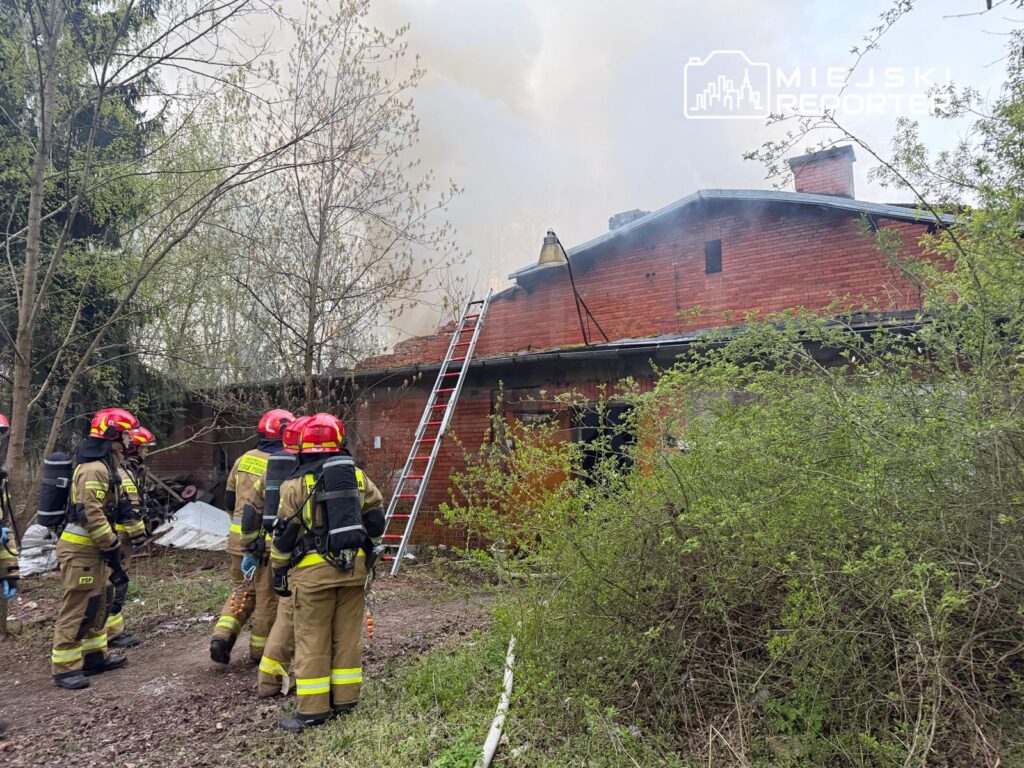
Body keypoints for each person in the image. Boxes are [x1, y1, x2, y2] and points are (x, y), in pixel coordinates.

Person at [269, 413, 386, 731]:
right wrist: (372, 550)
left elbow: (284, 536)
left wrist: (278, 571)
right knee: (347, 638)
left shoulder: (294, 485)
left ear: (305, 446)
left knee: (312, 640)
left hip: (312, 577)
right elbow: (376, 520)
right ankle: (346, 701)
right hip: (354, 571)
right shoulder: (358, 478)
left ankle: (313, 710)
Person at [51, 407, 138, 690]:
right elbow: (92, 514)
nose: (130, 440)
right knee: (77, 607)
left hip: (95, 550)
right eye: (126, 434)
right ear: (113, 435)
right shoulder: (94, 470)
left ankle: (94, 658)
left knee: (98, 603)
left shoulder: (107, 467)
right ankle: (65, 668)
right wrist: (112, 545)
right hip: (81, 550)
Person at [210, 408, 294, 664]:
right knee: (267, 600)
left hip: (238, 543)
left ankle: (221, 636)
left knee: (241, 592)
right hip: (267, 546)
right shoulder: (285, 464)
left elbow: (230, 499)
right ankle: (260, 652)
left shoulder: (244, 459)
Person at [104, 426, 155, 649]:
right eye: (144, 449)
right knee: (117, 581)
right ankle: (112, 633)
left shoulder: (126, 471)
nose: (147, 453)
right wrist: (139, 538)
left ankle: (111, 630)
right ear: (133, 449)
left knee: (113, 581)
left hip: (116, 536)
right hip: (119, 537)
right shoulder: (125, 475)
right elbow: (130, 510)